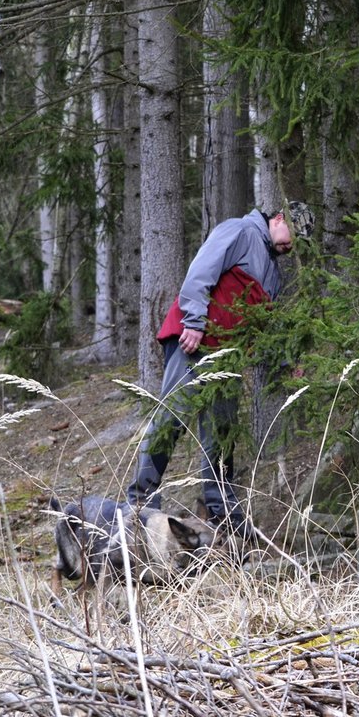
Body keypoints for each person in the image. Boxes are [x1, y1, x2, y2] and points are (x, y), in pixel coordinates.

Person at [127, 202, 312, 538]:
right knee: (173, 418)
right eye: (292, 237)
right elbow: (201, 271)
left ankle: (223, 513)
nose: (290, 247)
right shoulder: (239, 230)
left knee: (222, 433)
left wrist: (286, 365)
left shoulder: (273, 269)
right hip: (192, 341)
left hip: (227, 356)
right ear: (280, 219)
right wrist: (195, 322)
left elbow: (265, 324)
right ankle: (140, 503)